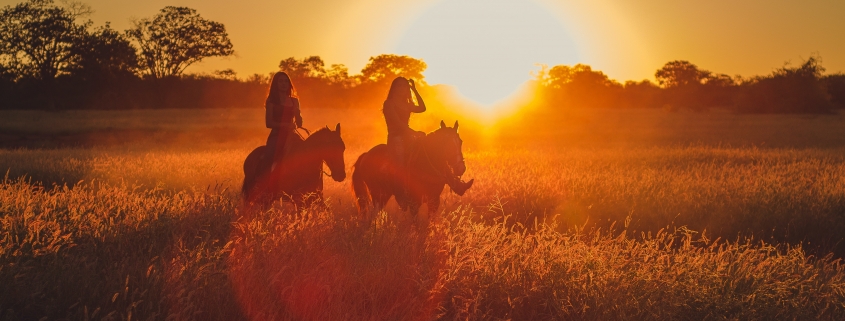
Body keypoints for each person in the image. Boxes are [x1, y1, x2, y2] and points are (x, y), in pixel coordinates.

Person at [382, 77, 472, 195]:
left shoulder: (406, 104)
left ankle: (456, 184)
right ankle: (402, 193)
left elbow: (422, 108)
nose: (402, 88)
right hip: (396, 138)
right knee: (400, 166)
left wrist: (414, 89)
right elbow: (398, 124)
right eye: (399, 86)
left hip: (409, 137)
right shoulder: (389, 103)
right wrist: (414, 133)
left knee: (434, 155)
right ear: (394, 88)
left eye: (405, 86)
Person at [261, 72, 302, 175]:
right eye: (280, 81)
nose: (284, 84)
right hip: (276, 135)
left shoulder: (295, 101)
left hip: (291, 135)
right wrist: (285, 125)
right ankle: (264, 182)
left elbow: (299, 124)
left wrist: (298, 115)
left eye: (286, 81)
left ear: (289, 84)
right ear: (276, 84)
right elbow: (268, 123)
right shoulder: (271, 101)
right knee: (269, 156)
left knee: (305, 152)